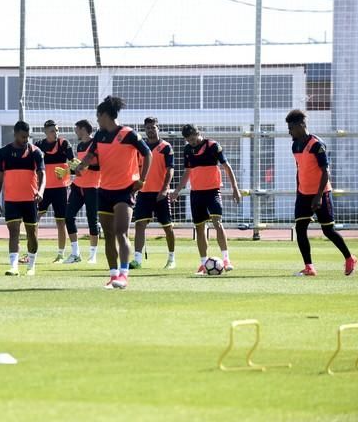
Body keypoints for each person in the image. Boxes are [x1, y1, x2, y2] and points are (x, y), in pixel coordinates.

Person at [76, 96, 152, 290]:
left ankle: (124, 275)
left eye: (98, 116)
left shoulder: (128, 134)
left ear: (105, 115)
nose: (97, 120)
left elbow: (147, 154)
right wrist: (77, 168)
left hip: (125, 191)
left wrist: (142, 180)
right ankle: (113, 275)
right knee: (108, 235)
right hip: (104, 190)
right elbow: (90, 157)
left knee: (121, 232)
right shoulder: (100, 136)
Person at [286, 109, 358, 276]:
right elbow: (300, 170)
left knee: (328, 231)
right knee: (300, 228)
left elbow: (326, 172)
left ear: (301, 125)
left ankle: (349, 258)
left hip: (321, 194)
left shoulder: (317, 145)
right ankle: (309, 267)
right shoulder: (295, 145)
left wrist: (318, 197)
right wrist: (299, 191)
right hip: (303, 194)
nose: (289, 131)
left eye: (291, 127)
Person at [170, 124, 241, 275]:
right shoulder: (187, 150)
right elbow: (187, 172)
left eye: (193, 138)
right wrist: (176, 191)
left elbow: (227, 167)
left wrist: (235, 188)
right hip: (196, 194)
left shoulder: (213, 146)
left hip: (213, 192)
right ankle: (203, 264)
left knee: (217, 223)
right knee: (199, 229)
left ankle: (226, 259)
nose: (192, 142)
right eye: (188, 140)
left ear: (198, 133)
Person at [0, 121, 46, 276]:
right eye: (23, 137)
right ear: (15, 133)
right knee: (13, 233)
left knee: (32, 234)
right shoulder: (3, 153)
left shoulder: (36, 152)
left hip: (30, 200)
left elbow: (43, 175)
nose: (25, 140)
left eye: (27, 137)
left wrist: (41, 191)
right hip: (11, 200)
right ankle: (14, 266)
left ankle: (31, 266)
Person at [130, 117, 176, 270]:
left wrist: (164, 189)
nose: (150, 130)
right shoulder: (141, 148)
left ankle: (171, 258)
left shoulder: (166, 147)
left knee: (168, 227)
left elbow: (170, 169)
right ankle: (137, 260)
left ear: (158, 128)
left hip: (160, 194)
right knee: (140, 225)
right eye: (148, 127)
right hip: (144, 193)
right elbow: (136, 169)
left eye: (153, 127)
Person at [34, 120, 74, 263]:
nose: (55, 133)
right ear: (45, 131)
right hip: (43, 190)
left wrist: (67, 170)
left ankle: (60, 254)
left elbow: (74, 163)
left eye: (57, 130)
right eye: (52, 130)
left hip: (60, 189)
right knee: (34, 220)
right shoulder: (38, 146)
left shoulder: (64, 144)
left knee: (61, 222)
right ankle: (32, 252)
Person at [62, 119, 99, 264]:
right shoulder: (80, 145)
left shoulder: (95, 144)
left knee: (92, 220)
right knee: (68, 216)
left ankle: (93, 255)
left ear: (83, 129)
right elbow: (78, 167)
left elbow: (99, 167)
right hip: (78, 186)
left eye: (76, 129)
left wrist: (83, 167)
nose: (75, 131)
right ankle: (75, 253)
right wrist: (67, 171)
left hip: (93, 187)